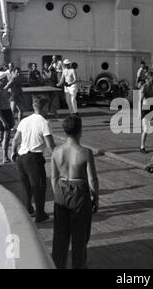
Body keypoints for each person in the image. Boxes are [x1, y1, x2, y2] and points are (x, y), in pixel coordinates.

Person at [51, 115, 99, 269]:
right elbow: (92, 179)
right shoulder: (85, 152)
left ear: (65, 131)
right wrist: (95, 198)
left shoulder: (56, 151)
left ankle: (58, 265)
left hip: (61, 188)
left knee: (60, 235)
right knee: (79, 235)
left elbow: (53, 177)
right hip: (79, 190)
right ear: (80, 131)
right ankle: (78, 265)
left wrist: (59, 194)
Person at [11, 96, 56, 223]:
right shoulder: (45, 123)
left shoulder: (24, 120)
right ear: (45, 107)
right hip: (34, 158)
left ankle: (28, 209)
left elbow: (15, 140)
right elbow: (50, 144)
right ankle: (40, 214)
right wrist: (57, 157)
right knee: (39, 186)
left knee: (26, 186)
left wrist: (13, 153)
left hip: (21, 157)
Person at [0, 70, 14, 167]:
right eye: (5, 78)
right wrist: (3, 121)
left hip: (7, 112)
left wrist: (11, 117)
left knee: (7, 137)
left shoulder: (4, 90)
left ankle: (5, 157)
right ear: (2, 80)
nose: (6, 79)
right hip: (1, 114)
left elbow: (8, 104)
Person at [138, 73, 153, 154]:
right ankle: (142, 147)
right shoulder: (144, 87)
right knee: (145, 129)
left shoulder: (152, 86)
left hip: (151, 108)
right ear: (147, 79)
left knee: (148, 128)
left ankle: (143, 145)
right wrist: (139, 112)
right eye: (151, 79)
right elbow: (140, 101)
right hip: (145, 109)